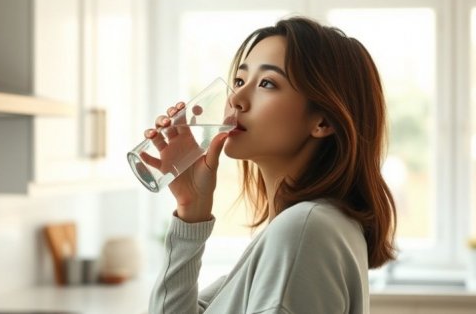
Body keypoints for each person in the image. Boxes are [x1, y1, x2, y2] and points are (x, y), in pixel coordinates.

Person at [144, 16, 397, 314]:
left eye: (267, 83)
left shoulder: (303, 230)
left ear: (324, 121)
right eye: (239, 80)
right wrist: (192, 208)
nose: (236, 98)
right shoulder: (306, 227)